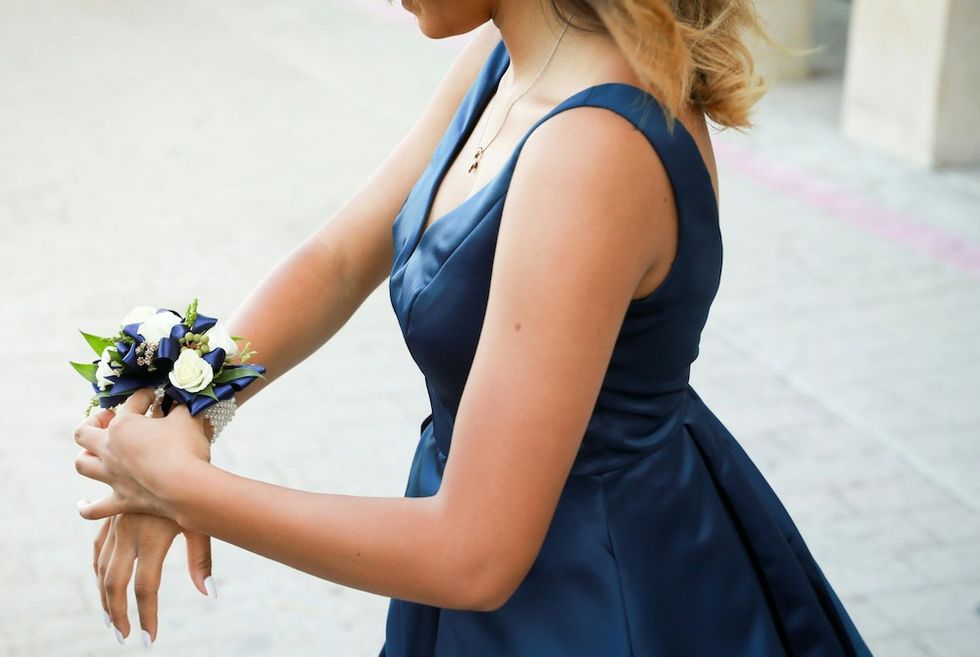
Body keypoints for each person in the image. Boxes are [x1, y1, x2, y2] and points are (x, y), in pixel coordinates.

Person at [73, 1, 875, 655]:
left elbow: (475, 554)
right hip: (465, 535)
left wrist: (182, 487)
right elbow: (341, 255)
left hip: (588, 593)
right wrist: (191, 407)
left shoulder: (592, 150)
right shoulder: (507, 57)